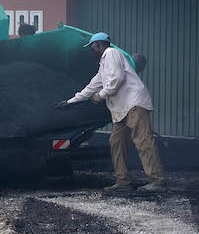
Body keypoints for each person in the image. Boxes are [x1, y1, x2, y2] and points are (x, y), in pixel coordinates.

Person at [57, 32, 167, 194]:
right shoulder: (103, 64)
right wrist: (71, 101)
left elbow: (116, 79)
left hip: (133, 104)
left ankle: (157, 181)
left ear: (100, 45)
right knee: (116, 141)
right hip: (121, 110)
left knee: (143, 141)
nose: (91, 51)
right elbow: (92, 87)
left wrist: (100, 96)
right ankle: (123, 181)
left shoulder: (112, 54)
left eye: (92, 47)